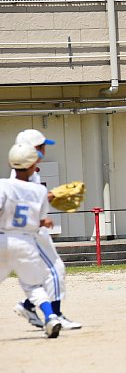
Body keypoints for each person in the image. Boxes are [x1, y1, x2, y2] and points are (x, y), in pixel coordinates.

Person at [10, 129, 81, 330]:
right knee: (55, 269)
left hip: (32, 231)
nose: (44, 151)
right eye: (41, 147)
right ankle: (54, 315)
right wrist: (48, 197)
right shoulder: (22, 175)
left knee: (47, 274)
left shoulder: (30, 173)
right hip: (30, 233)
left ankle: (28, 306)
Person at [0, 143, 62, 338]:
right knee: (34, 286)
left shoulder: (3, 185)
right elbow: (37, 220)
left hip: (3, 239)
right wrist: (45, 221)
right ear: (33, 165)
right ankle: (50, 317)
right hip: (26, 243)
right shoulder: (40, 191)